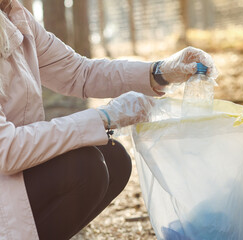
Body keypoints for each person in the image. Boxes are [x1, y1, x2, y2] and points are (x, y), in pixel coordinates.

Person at [0, 0, 217, 239]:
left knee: (114, 159)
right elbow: (5, 149)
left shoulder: (15, 14)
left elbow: (79, 72)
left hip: (13, 174)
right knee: (85, 168)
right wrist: (104, 117)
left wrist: (160, 72)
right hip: (7, 170)